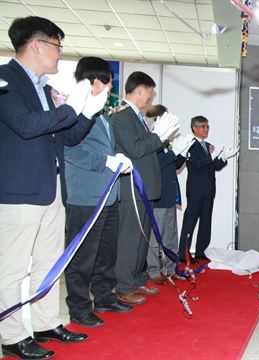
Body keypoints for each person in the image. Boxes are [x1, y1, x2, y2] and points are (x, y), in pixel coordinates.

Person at [0, 16, 107, 359]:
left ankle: (46, 323)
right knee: (12, 268)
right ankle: (11, 335)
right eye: (57, 46)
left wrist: (87, 113)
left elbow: (67, 137)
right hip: (19, 192)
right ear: (37, 44)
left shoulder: (45, 89)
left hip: (50, 188)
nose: (60, 55)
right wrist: (73, 106)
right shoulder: (5, 80)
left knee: (50, 264)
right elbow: (27, 126)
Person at [64, 57, 135, 328]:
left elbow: (104, 148)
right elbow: (71, 150)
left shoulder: (103, 115)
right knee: (83, 256)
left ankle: (104, 296)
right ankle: (79, 308)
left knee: (106, 252)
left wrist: (117, 157)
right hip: (86, 195)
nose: (109, 87)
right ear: (94, 81)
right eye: (107, 81)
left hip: (109, 194)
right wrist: (104, 161)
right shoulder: (75, 111)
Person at [112, 71, 180, 306]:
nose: (151, 97)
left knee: (142, 237)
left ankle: (137, 278)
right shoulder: (122, 117)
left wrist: (159, 137)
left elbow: (144, 148)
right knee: (131, 237)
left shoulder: (137, 117)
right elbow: (135, 149)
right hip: (133, 187)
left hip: (146, 187)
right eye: (150, 92)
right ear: (140, 89)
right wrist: (159, 136)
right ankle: (123, 285)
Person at [143, 105, 193, 284]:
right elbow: (155, 164)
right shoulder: (151, 141)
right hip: (158, 195)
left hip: (170, 195)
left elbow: (173, 165)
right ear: (157, 120)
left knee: (170, 236)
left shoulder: (164, 142)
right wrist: (173, 152)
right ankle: (154, 270)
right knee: (156, 238)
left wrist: (182, 153)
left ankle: (171, 269)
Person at [177, 116, 238, 263]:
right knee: (190, 222)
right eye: (203, 126)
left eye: (207, 126)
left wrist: (223, 157)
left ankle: (200, 252)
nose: (206, 129)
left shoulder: (208, 145)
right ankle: (183, 254)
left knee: (206, 222)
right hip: (196, 190)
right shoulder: (190, 145)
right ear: (195, 128)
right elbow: (196, 164)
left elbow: (215, 166)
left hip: (209, 190)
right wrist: (211, 157)